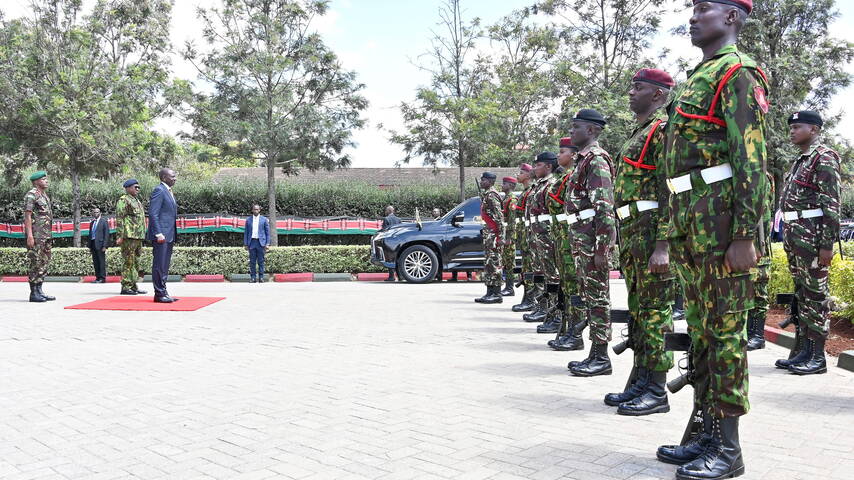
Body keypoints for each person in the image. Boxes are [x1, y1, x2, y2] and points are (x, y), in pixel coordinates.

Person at [652, 1, 770, 478]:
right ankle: (703, 433)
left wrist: (746, 233)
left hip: (721, 229)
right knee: (702, 335)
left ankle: (728, 449)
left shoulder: (739, 72)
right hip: (692, 228)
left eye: (705, 9)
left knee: (724, 337)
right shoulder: (698, 77)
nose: (694, 16)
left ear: (733, 18)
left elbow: (752, 159)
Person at [605, 69, 676, 415]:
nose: (631, 93)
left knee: (655, 312)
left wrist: (663, 245)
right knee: (639, 312)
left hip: (651, 234)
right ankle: (641, 381)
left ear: (659, 95)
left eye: (639, 87)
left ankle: (657, 389)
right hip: (634, 232)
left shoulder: (663, 132)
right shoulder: (640, 131)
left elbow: (670, 190)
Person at [777, 110, 841, 375]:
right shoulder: (801, 160)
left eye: (798, 127)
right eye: (791, 127)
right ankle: (804, 351)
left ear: (814, 130)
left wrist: (827, 244)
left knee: (816, 295)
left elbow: (832, 204)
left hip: (813, 237)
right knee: (803, 294)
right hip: (796, 234)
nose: (792, 131)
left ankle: (818, 358)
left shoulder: (824, 158)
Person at [563, 109, 616, 377]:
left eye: (576, 127)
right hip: (582, 239)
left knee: (598, 298)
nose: (572, 132)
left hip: (592, 242)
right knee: (589, 295)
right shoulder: (583, 160)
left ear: (592, 130)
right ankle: (594, 354)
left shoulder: (595, 160)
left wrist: (602, 248)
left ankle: (601, 357)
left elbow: (604, 208)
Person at [548, 138, 584, 351]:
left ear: (572, 154)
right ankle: (568, 328)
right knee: (567, 286)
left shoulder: (575, 176)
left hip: (573, 238)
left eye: (562, 152)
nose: (558, 156)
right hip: (563, 238)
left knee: (574, 287)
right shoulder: (566, 178)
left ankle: (575, 332)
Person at [524, 152, 560, 329]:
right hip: (538, 235)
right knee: (544, 275)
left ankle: (556, 314)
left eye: (538, 165)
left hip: (548, 236)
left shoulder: (552, 184)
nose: (535, 168)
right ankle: (546, 309)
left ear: (548, 166)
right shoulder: (539, 185)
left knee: (553, 276)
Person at [147, 168, 179, 303]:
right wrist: (158, 233)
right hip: (161, 235)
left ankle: (163, 291)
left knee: (164, 264)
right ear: (164, 177)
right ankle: (159, 294)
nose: (175, 178)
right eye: (172, 176)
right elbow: (153, 213)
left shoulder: (168, 191)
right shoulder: (159, 190)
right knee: (159, 264)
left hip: (169, 233)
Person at [23, 171, 55, 303]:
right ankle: (33, 293)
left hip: (45, 235)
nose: (46, 181)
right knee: (35, 262)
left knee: (44, 261)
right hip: (36, 235)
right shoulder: (31, 195)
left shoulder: (44, 195)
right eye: (43, 179)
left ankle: (40, 290)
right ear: (36, 182)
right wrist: (30, 235)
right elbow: (27, 215)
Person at [474, 172, 504, 303]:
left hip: (494, 234)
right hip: (489, 234)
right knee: (489, 264)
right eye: (481, 179)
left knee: (494, 263)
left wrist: (500, 237)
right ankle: (489, 292)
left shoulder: (492, 196)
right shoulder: (487, 195)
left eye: (484, 180)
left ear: (490, 182)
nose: (481, 182)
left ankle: (497, 294)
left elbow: (499, 218)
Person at [511, 164, 537, 312]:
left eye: (521, 172)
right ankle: (528, 298)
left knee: (530, 268)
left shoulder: (531, 192)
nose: (518, 174)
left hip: (530, 234)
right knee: (526, 268)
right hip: (524, 234)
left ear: (528, 175)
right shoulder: (525, 192)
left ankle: (531, 300)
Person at [115, 179, 147, 295]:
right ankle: (125, 286)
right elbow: (120, 218)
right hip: (128, 236)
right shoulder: (124, 200)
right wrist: (120, 235)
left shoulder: (136, 201)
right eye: (135, 187)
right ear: (128, 188)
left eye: (138, 187)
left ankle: (133, 285)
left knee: (136, 261)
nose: (137, 189)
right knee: (128, 261)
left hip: (137, 236)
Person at [499, 176, 518, 296]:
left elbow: (512, 221)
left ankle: (510, 288)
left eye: (504, 183)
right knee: (506, 261)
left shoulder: (512, 200)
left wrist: (509, 238)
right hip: (505, 233)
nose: (502, 185)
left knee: (510, 261)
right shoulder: (505, 198)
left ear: (511, 185)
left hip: (509, 235)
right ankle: (507, 286)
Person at [244, 204, 271, 283]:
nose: (256, 211)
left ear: (259, 210)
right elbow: (246, 232)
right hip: (252, 242)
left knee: (261, 261)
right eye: (254, 209)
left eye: (257, 209)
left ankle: (261, 277)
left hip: (261, 243)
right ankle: (253, 278)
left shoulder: (264, 219)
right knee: (252, 261)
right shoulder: (248, 220)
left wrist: (267, 244)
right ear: (252, 210)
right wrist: (245, 243)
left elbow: (267, 233)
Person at [88, 207, 110, 283]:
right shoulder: (92, 223)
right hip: (93, 243)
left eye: (97, 212)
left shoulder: (103, 221)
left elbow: (106, 234)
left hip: (100, 245)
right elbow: (90, 234)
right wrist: (89, 245)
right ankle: (97, 277)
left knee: (101, 262)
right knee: (95, 262)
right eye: (94, 212)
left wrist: (105, 245)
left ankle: (102, 278)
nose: (96, 213)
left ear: (100, 213)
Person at [381, 206, 401, 281]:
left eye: (386, 210)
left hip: (389, 241)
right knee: (397, 258)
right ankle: (399, 276)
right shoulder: (398, 219)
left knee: (389, 259)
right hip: (397, 241)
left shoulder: (386, 219)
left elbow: (384, 230)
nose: (385, 211)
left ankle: (391, 276)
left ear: (389, 211)